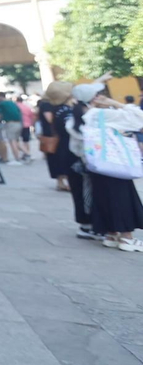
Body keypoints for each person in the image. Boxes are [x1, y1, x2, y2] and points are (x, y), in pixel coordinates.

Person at [70, 84, 143, 252]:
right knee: (122, 198)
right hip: (115, 164)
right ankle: (127, 238)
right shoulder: (103, 115)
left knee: (103, 197)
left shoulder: (76, 116)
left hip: (96, 165)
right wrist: (117, 104)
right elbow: (140, 117)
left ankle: (111, 234)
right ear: (95, 97)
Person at [40, 81, 82, 204]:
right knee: (60, 161)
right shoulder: (63, 110)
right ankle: (63, 182)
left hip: (60, 138)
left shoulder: (60, 108)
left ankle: (63, 182)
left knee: (60, 160)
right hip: (61, 139)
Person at [17, 95, 37, 163]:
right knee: (26, 140)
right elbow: (32, 115)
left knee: (16, 141)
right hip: (27, 124)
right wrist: (32, 124)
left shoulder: (16, 106)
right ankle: (27, 153)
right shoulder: (26, 107)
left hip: (19, 124)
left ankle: (26, 153)